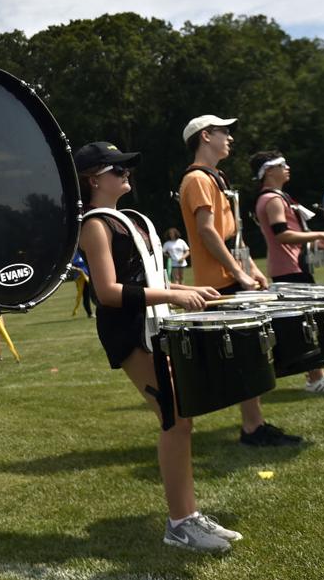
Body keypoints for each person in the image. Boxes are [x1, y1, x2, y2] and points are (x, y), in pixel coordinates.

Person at [75, 141, 241, 553]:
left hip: (155, 326)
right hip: (129, 331)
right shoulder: (95, 225)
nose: (125, 173)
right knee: (174, 418)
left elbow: (151, 279)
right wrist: (171, 297)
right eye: (117, 169)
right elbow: (108, 292)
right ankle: (181, 522)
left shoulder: (131, 219)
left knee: (180, 419)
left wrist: (184, 288)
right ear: (94, 178)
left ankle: (187, 516)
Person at [177, 115, 299, 448]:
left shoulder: (215, 177)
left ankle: (254, 424)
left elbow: (232, 234)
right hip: (221, 281)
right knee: (246, 354)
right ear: (206, 136)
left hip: (232, 274)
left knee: (252, 352)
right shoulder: (198, 180)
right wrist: (239, 273)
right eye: (224, 132)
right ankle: (252, 428)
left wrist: (251, 268)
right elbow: (206, 231)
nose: (229, 138)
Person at [249, 151, 324, 393]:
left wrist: (313, 243)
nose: (287, 168)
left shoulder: (278, 197)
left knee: (309, 322)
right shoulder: (273, 199)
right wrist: (319, 234)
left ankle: (317, 376)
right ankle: (316, 379)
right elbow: (282, 234)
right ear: (269, 171)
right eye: (281, 165)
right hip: (289, 269)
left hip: (294, 265)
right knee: (305, 325)